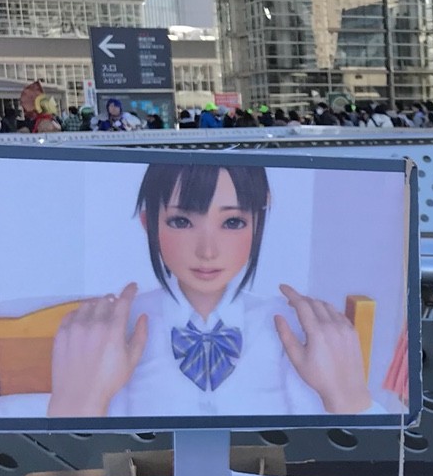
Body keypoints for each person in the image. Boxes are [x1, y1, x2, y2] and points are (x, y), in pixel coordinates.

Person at [46, 163, 379, 419]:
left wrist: (348, 397)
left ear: (257, 224)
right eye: (181, 221)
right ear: (150, 224)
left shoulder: (293, 327)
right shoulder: (112, 329)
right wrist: (77, 402)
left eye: (232, 222)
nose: (208, 251)